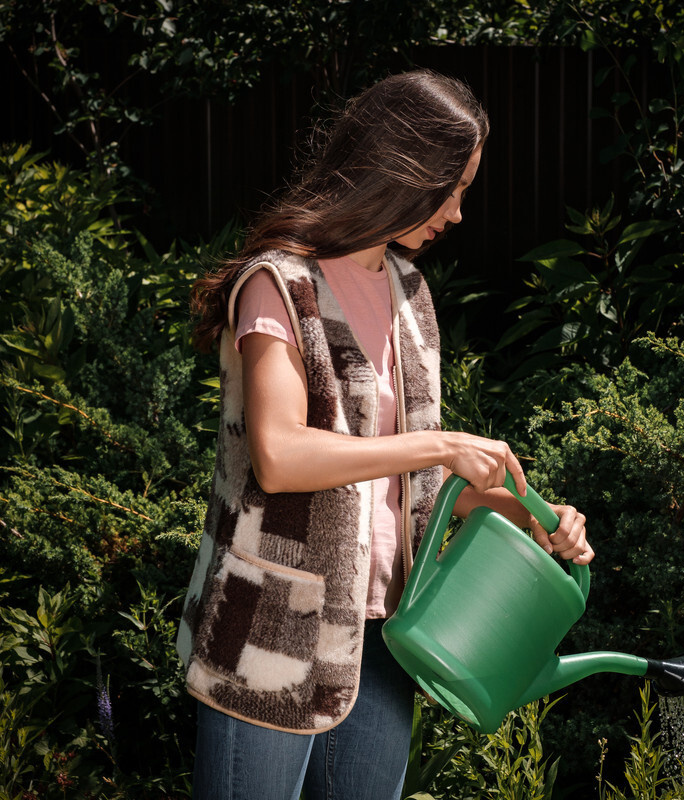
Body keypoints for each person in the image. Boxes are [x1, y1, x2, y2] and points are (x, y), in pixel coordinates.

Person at [178, 69, 593, 800]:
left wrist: (534, 522)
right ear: (397, 170)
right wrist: (439, 444)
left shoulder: (410, 296)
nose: (458, 213)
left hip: (383, 642)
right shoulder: (280, 285)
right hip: (269, 639)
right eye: (450, 188)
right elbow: (280, 455)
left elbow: (417, 500)